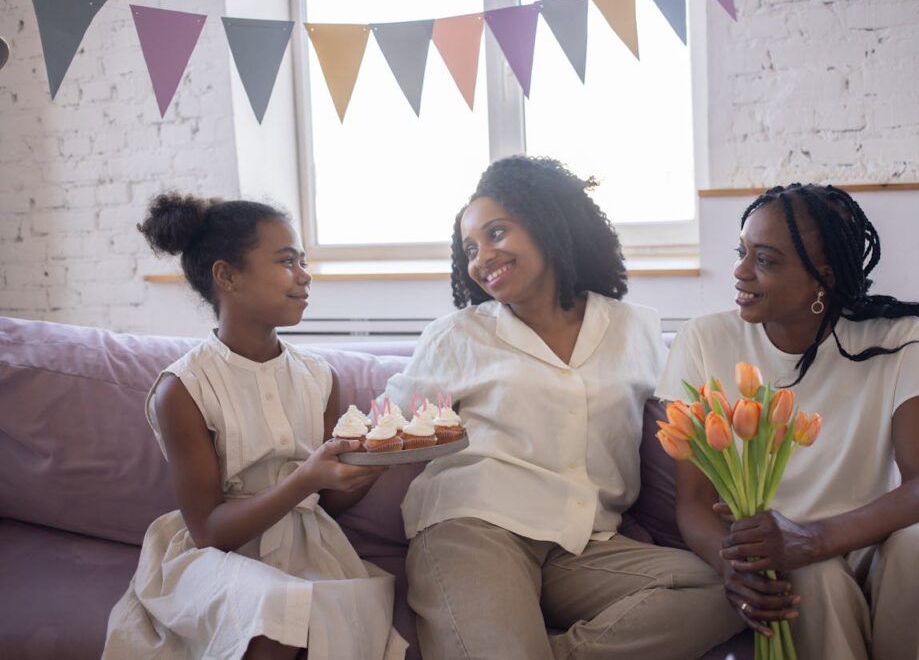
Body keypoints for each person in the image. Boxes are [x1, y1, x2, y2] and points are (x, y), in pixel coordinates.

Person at [384, 156, 744, 660]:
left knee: (727, 591)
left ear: (549, 223)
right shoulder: (458, 335)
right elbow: (387, 428)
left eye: (497, 233)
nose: (481, 256)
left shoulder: (634, 328)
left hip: (586, 543)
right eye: (470, 247)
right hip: (474, 529)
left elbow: (685, 424)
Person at [657, 183, 919, 659]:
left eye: (765, 260)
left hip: (880, 547)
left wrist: (813, 539)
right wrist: (735, 569)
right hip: (788, 565)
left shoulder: (897, 338)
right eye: (741, 251)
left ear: (822, 277)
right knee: (813, 576)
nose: (740, 271)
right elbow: (694, 501)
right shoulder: (704, 340)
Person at [103, 195, 406, 660]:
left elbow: (327, 501)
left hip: (308, 550)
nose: (305, 275)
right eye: (287, 262)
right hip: (219, 557)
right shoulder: (184, 388)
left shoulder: (319, 377)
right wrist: (305, 477)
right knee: (275, 614)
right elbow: (208, 530)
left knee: (334, 622)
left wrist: (376, 460)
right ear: (227, 276)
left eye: (303, 261)